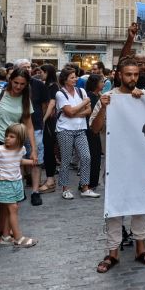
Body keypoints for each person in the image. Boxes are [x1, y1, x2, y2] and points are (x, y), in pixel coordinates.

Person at [90, 55, 145, 272]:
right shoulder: (108, 97)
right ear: (119, 75)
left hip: (139, 162)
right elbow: (94, 128)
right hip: (114, 164)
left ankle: (141, 249)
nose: (132, 78)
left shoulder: (144, 95)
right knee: (114, 208)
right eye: (128, 74)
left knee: (139, 206)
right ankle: (112, 253)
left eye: (136, 75)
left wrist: (143, 103)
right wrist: (103, 107)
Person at [0, 68, 38, 242]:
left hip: (14, 145)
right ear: (10, 79)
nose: (18, 87)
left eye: (22, 84)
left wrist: (34, 148)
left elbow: (28, 125)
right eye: (16, 83)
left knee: (6, 189)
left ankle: (2, 228)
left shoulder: (25, 99)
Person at [0, 124, 38, 247]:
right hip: (4, 183)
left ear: (20, 139)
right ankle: (18, 237)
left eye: (11, 136)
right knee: (13, 208)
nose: (7, 138)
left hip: (16, 182)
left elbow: (18, 161)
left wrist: (31, 162)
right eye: (7, 136)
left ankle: (6, 235)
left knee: (10, 209)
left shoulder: (21, 149)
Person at [55, 67, 98, 200]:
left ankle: (85, 187)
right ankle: (65, 188)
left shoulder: (81, 91)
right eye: (72, 77)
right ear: (65, 80)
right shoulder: (60, 94)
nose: (75, 79)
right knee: (66, 160)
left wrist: (74, 112)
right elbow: (69, 111)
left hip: (80, 129)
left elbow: (88, 111)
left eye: (75, 76)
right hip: (65, 130)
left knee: (86, 157)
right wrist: (83, 103)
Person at [14, 59, 50, 206]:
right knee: (18, 160)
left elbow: (44, 105)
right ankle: (20, 190)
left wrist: (40, 122)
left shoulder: (39, 85)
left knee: (36, 160)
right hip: (16, 128)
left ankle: (35, 191)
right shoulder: (13, 86)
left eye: (29, 67)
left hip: (35, 126)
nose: (28, 69)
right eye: (24, 67)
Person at [38, 64, 59, 193]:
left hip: (49, 123)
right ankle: (49, 179)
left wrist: (43, 120)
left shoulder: (52, 86)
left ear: (46, 72)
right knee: (47, 150)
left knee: (49, 151)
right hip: (47, 122)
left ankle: (50, 180)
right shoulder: (48, 85)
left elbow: (51, 103)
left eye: (41, 71)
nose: (40, 74)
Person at [85, 74, 105, 191]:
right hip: (90, 130)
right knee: (92, 157)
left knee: (96, 157)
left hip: (97, 130)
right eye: (101, 81)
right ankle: (89, 183)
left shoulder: (100, 96)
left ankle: (93, 182)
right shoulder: (90, 97)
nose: (103, 83)